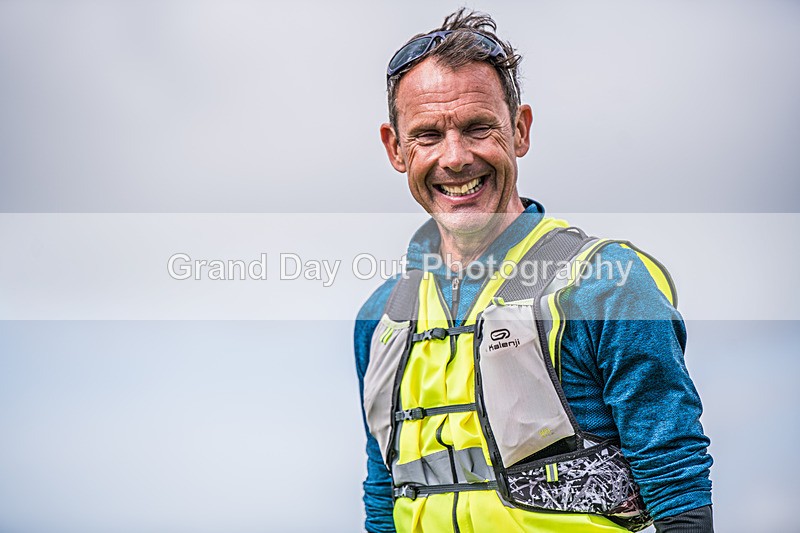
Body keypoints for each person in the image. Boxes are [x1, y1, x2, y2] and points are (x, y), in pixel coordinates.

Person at [355, 8, 713, 533]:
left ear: (520, 130)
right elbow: (381, 497)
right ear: (395, 148)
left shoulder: (606, 284)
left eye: (478, 128)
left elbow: (676, 480)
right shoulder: (380, 319)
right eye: (427, 135)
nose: (454, 158)